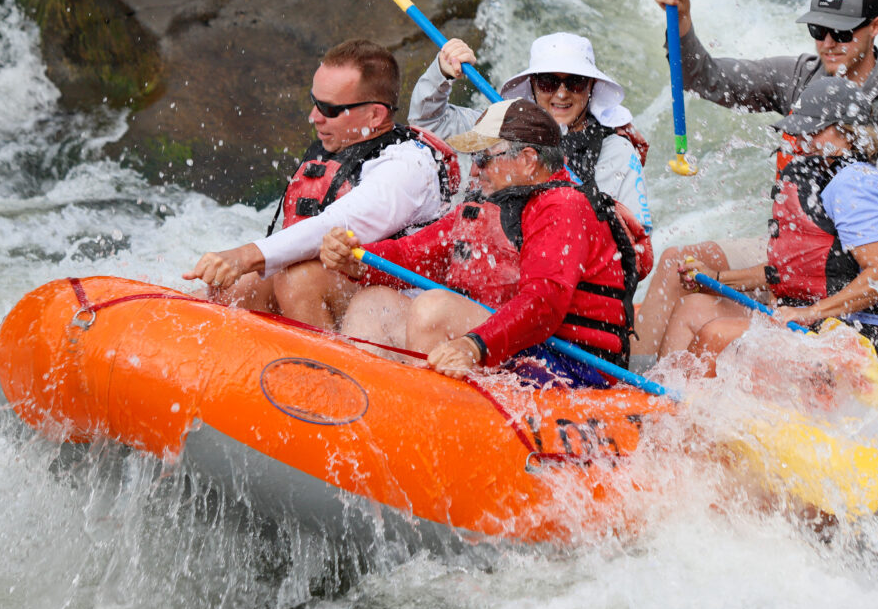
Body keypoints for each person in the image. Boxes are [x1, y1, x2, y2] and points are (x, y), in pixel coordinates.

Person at [635, 0, 878, 361]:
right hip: (804, 249)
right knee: (673, 264)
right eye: (819, 31)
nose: (829, 43)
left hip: (855, 267)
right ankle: (633, 393)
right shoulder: (801, 76)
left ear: (875, 27)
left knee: (707, 317)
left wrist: (832, 286)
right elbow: (707, 78)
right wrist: (681, 18)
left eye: (843, 32)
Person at [321, 99, 644, 382]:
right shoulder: (487, 206)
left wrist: (474, 345)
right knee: (373, 303)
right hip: (512, 343)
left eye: (485, 156)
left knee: (434, 310)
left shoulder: (563, 206)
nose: (476, 168)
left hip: (573, 365)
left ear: (528, 159)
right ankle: (366, 409)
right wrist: (357, 260)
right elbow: (410, 254)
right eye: (475, 157)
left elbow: (543, 303)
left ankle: (424, 421)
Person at [659, 76, 878, 386]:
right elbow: (796, 270)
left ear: (848, 131)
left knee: (715, 335)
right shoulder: (830, 171)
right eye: (802, 129)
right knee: (693, 308)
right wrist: (717, 278)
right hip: (831, 326)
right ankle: (653, 408)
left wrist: (810, 313)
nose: (803, 138)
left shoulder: (856, 183)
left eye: (815, 130)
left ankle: (681, 422)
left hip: (869, 343)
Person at [182, 39, 458, 328]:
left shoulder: (409, 165)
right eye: (315, 102)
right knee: (238, 287)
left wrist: (244, 255)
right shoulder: (339, 145)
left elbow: (338, 223)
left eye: (329, 109)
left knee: (297, 278)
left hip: (401, 312)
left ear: (375, 114)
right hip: (343, 289)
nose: (314, 118)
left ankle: (322, 370)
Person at [408, 32, 652, 232]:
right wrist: (440, 72)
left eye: (575, 82)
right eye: (548, 81)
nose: (562, 93)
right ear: (532, 85)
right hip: (490, 261)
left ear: (592, 86)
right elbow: (426, 123)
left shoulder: (617, 150)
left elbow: (636, 238)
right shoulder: (498, 124)